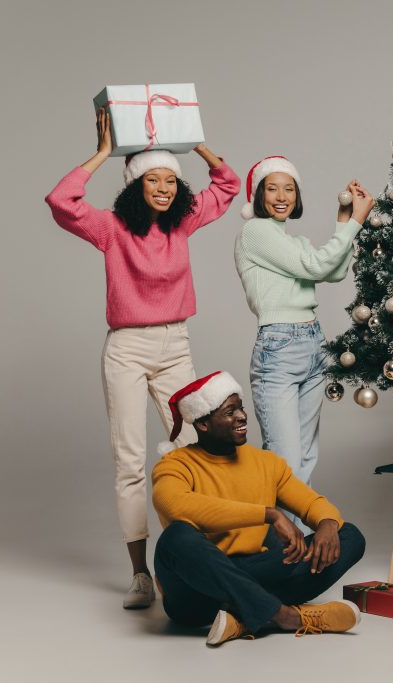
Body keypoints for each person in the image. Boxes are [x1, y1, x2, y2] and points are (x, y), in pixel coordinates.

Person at [44, 108, 240, 608]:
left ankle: (212, 556)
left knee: (201, 447)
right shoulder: (111, 228)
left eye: (171, 180)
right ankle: (140, 575)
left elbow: (228, 184)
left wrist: (193, 143)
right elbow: (61, 201)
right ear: (136, 185)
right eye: (153, 179)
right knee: (130, 460)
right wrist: (105, 154)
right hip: (127, 348)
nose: (164, 188)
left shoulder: (183, 224)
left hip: (176, 344)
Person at [151, 371, 365, 646]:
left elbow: (311, 502)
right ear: (203, 423)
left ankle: (245, 616)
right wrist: (269, 514)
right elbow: (177, 505)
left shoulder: (265, 463)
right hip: (196, 591)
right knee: (175, 538)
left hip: (255, 569)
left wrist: (327, 524)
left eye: (241, 407)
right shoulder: (175, 464)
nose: (242, 416)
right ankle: (285, 615)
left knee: (350, 536)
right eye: (230, 411)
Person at [234, 156, 374, 526]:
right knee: (285, 462)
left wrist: (344, 218)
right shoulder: (256, 232)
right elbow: (317, 266)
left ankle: (302, 548)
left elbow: (334, 269)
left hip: (313, 344)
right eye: (272, 187)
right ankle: (283, 553)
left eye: (289, 188)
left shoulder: (291, 240)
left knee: (306, 457)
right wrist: (357, 221)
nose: (281, 196)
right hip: (278, 349)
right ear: (258, 195)